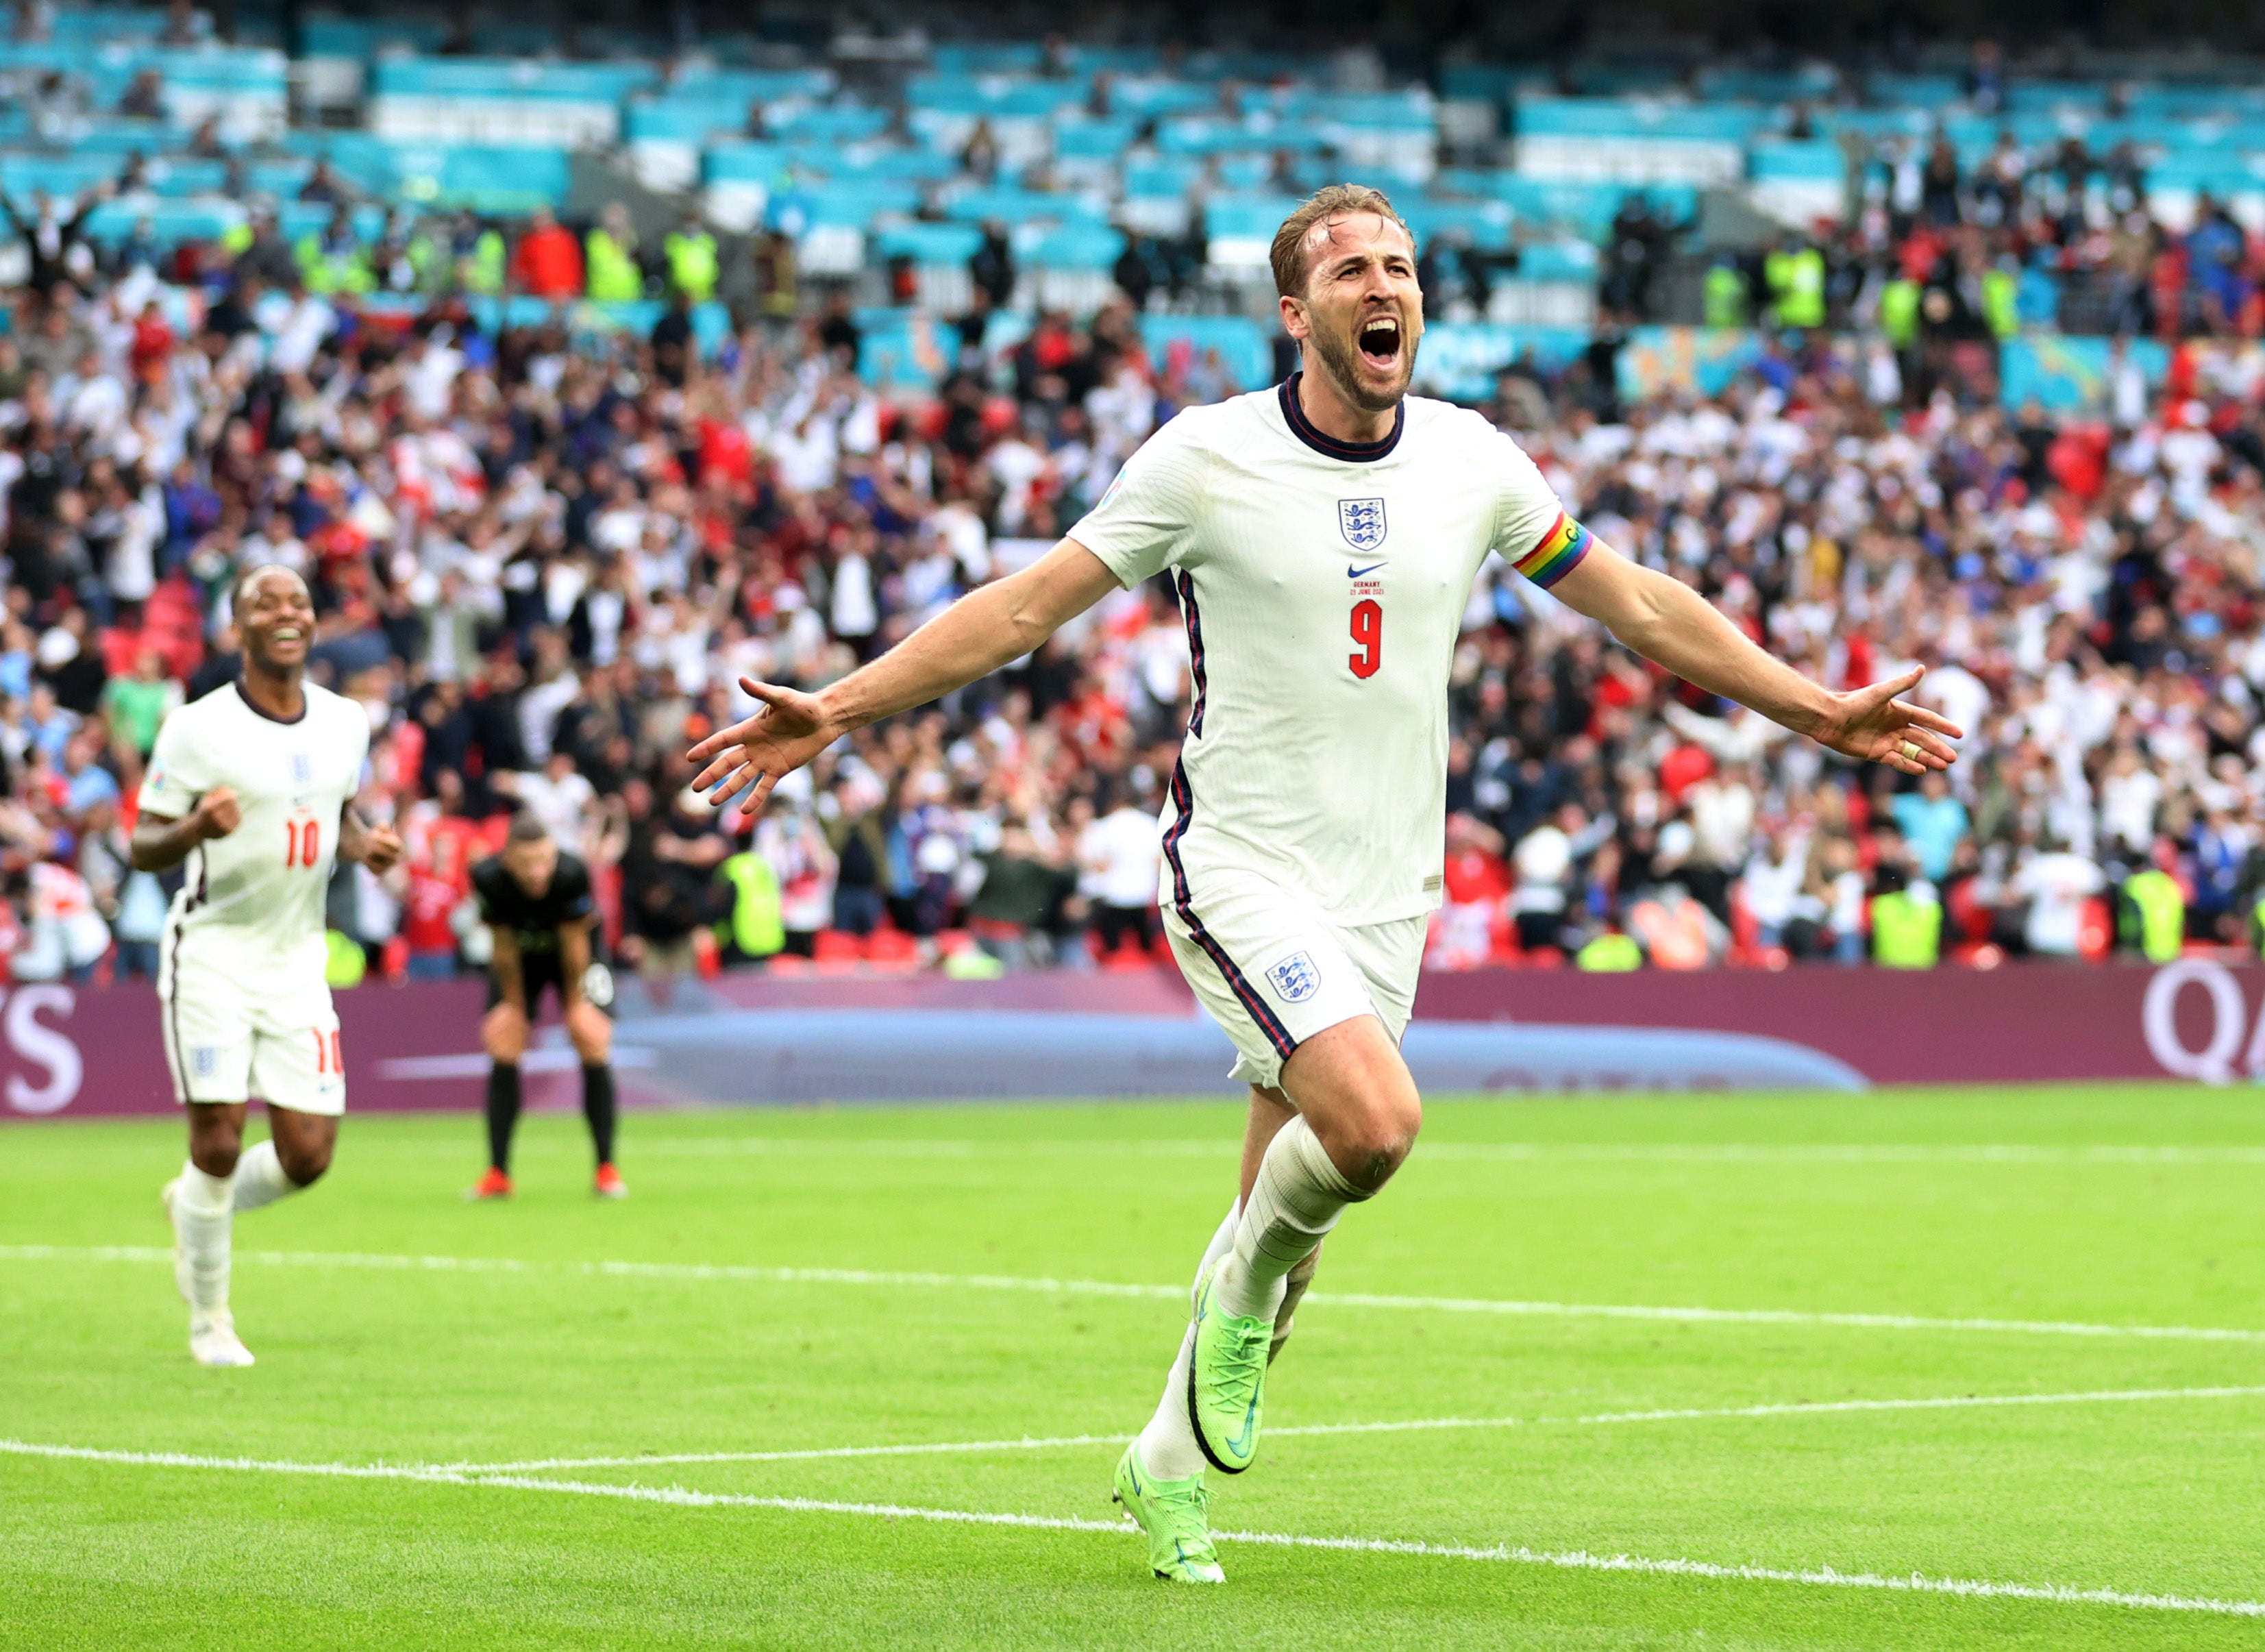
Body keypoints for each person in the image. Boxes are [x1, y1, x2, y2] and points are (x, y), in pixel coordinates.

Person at [685, 182, 1964, 1584]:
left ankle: (1164, 1469)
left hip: (1384, 890)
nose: (1385, 286)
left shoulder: (1474, 461)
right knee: (1373, 1126)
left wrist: (1814, 708)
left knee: (1288, 1246)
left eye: (1402, 265)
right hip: (1239, 861)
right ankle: (1224, 1298)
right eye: (1353, 267)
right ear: (1297, 313)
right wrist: (845, 705)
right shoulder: (1206, 458)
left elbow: (1639, 603)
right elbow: (1026, 606)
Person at [137, 565, 403, 1367]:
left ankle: (192, 1207)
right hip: (213, 951)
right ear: (238, 627)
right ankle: (210, 1321)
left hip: (297, 960)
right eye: (266, 603)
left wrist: (364, 843)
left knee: (308, 1156)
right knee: (217, 1140)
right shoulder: (197, 726)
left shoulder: (346, 721)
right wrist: (192, 827)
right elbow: (142, 843)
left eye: (298, 603)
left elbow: (333, 809)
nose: (286, 614)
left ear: (312, 622)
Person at [466, 811, 623, 1200]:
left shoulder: (572, 874)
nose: (538, 873)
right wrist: (515, 1007)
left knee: (590, 1038)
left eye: (545, 862)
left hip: (577, 955)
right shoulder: (488, 878)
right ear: (508, 861)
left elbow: (575, 946)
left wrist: (576, 1006)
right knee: (504, 1042)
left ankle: (606, 1169)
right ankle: (498, 1174)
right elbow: (502, 946)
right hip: (521, 959)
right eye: (527, 864)